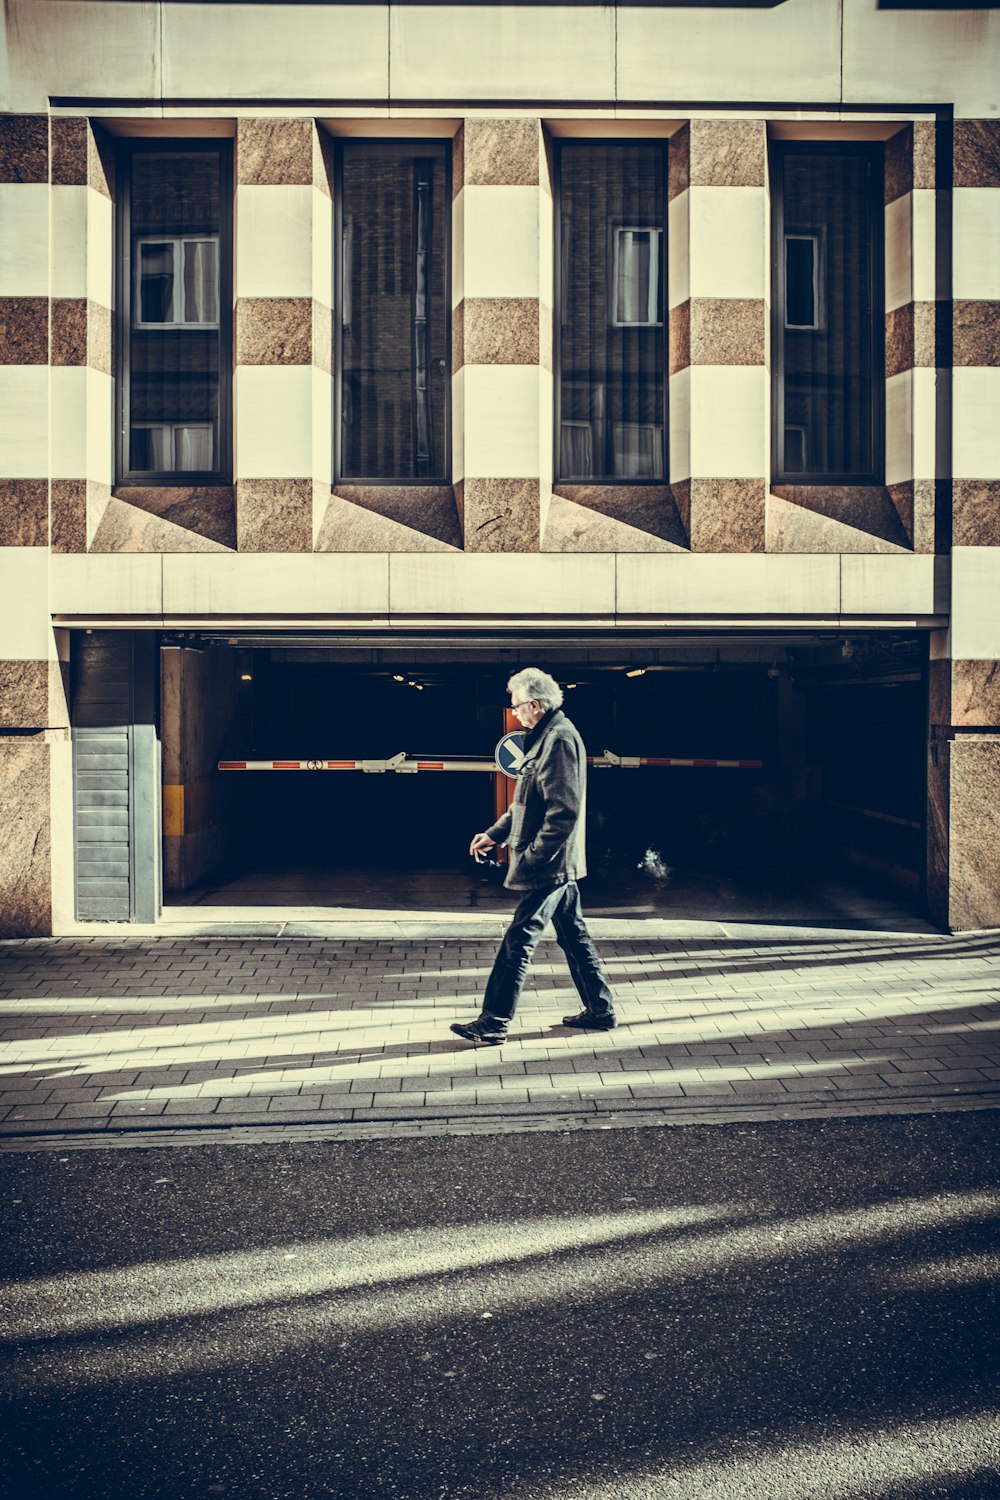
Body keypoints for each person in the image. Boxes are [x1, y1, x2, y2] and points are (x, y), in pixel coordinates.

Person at [451, 668, 617, 1045]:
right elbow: (527, 804)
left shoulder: (558, 740)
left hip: (550, 866)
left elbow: (564, 811)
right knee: (573, 936)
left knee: (518, 940)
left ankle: (494, 1022)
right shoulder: (544, 738)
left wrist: (535, 855)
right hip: (557, 864)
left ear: (535, 705)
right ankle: (601, 1009)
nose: (515, 714)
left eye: (517, 707)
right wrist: (494, 834)